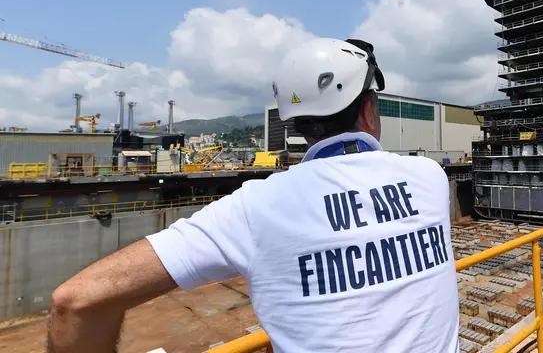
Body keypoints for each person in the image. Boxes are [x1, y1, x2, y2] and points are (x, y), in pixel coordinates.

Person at [47, 38, 459, 353]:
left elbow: (76, 301)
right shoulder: (429, 177)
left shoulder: (256, 206)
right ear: (369, 110)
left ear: (296, 124)